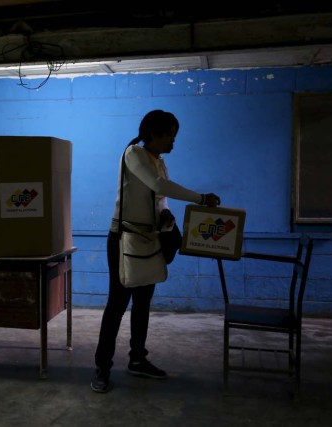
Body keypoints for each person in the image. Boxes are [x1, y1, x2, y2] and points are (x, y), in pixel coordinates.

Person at [91, 109, 221, 393]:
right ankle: (102, 367)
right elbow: (159, 185)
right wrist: (201, 198)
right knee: (117, 304)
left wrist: (165, 215)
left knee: (143, 302)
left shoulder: (158, 161)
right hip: (124, 238)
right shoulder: (134, 154)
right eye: (170, 136)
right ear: (153, 134)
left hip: (148, 238)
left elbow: (159, 197)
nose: (173, 142)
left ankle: (138, 359)